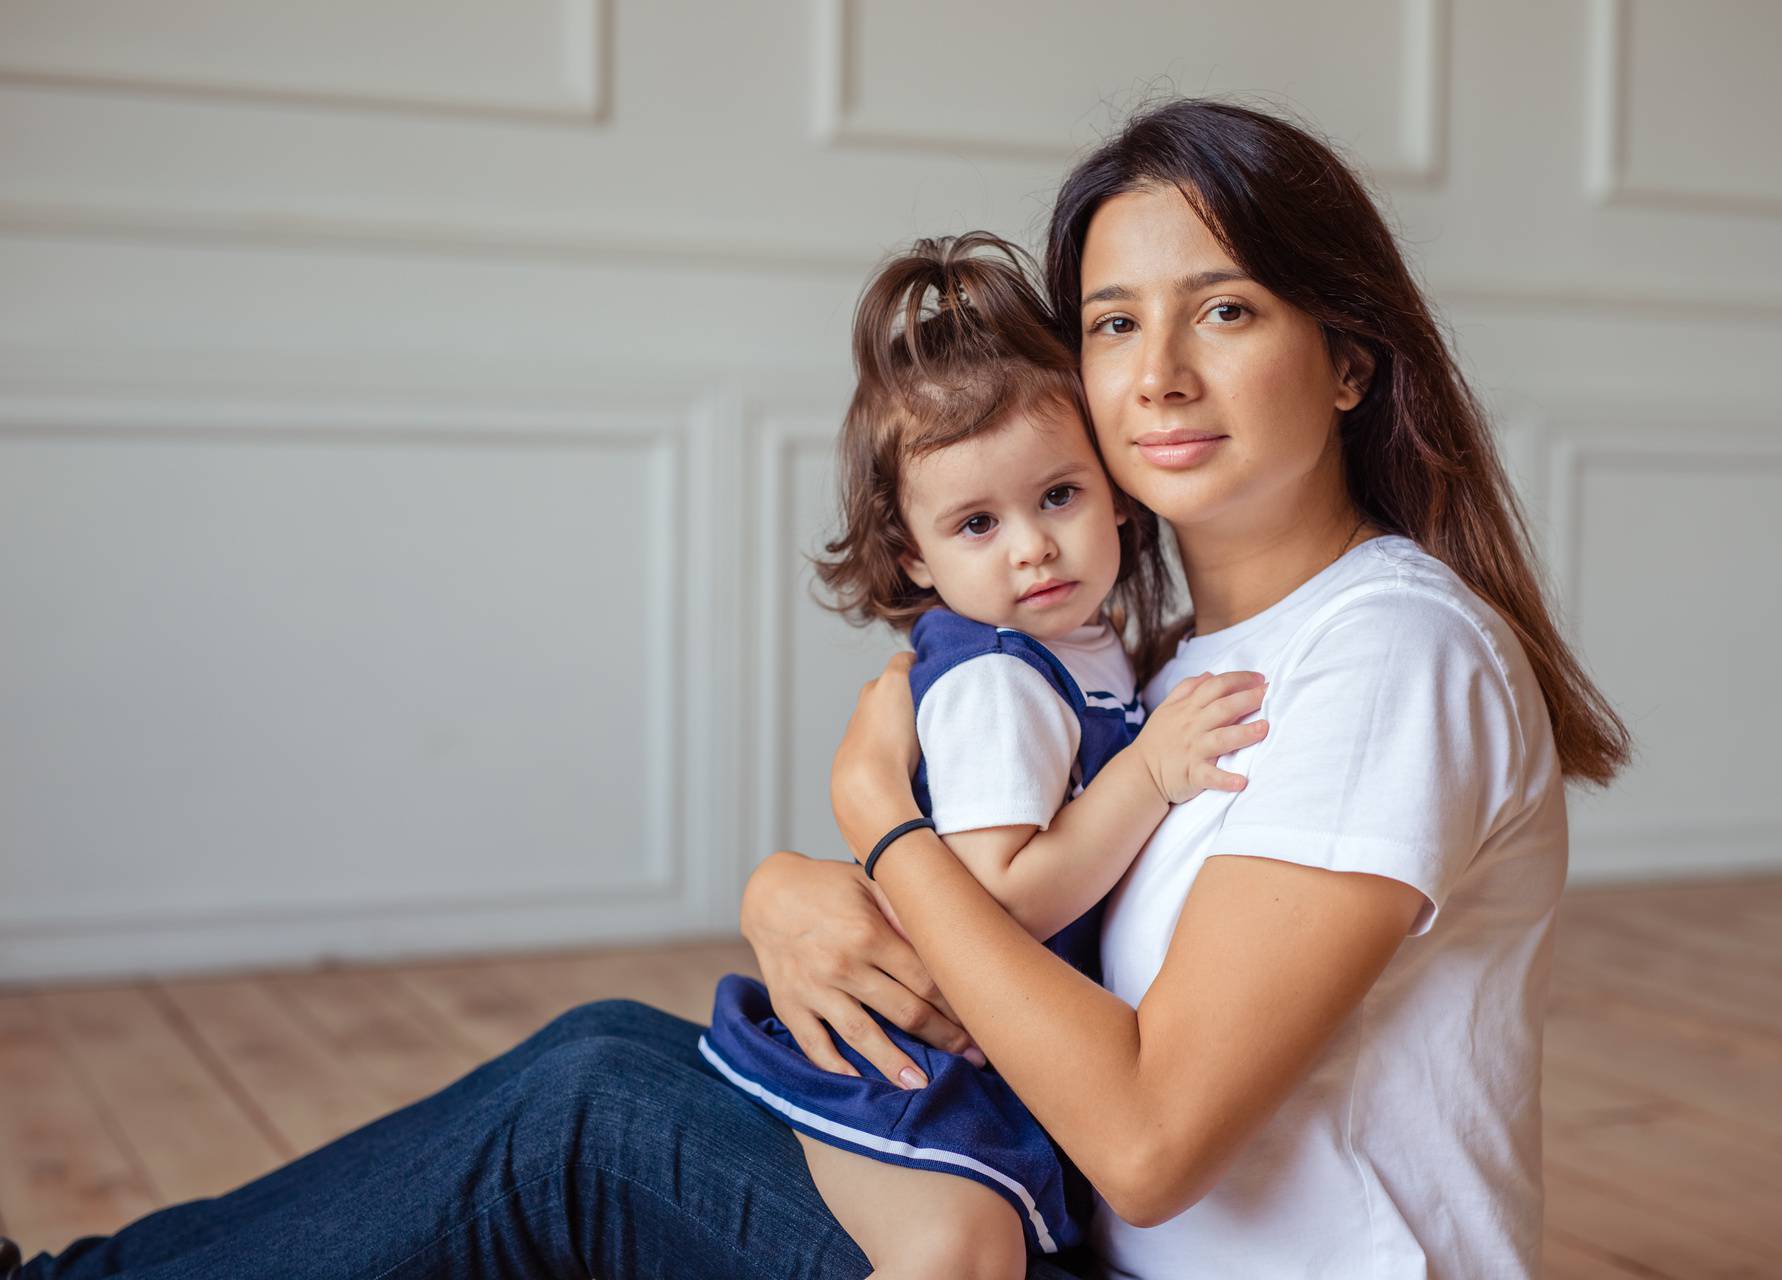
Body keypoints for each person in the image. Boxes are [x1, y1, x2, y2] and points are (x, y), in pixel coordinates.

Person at [6, 99, 1628, 1280]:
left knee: (582, 1120)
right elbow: (1050, 953)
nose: (1160, 374)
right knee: (599, 1071)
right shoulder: (1184, 662)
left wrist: (873, 825)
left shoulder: (1391, 655)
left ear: (1345, 357)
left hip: (1094, 1241)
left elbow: (1147, 1134)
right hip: (1067, 1229)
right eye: (1116, 323)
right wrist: (801, 895)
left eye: (1226, 310)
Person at [700, 233, 1265, 1276]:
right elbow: (997, 903)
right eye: (975, 522)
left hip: (985, 1053)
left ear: (1115, 488)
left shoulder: (1080, 644)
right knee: (957, 1249)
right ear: (912, 552)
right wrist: (1146, 775)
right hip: (911, 1063)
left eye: (1059, 495)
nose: (1031, 545)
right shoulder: (998, 681)